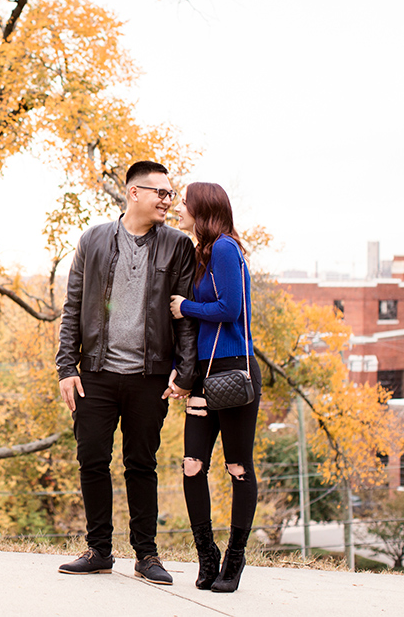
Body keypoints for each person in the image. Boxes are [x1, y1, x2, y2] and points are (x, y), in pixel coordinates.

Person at [56, 160, 198, 585]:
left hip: (150, 376)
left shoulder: (178, 246)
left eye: (171, 194)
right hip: (95, 372)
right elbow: (72, 306)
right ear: (135, 192)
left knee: (141, 463)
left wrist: (185, 372)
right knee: (92, 459)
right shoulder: (94, 240)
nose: (168, 201)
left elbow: (184, 318)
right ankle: (99, 550)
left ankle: (147, 555)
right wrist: (66, 366)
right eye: (162, 193)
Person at [166, 182, 261, 593]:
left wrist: (185, 305)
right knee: (192, 465)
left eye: (185, 202)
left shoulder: (224, 248)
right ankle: (206, 557)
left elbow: (231, 309)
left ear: (203, 208)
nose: (179, 208)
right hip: (204, 375)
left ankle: (234, 560)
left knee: (237, 468)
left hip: (233, 374)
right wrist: (180, 371)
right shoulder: (200, 255)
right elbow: (191, 333)